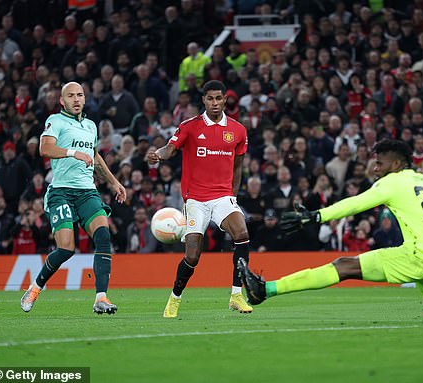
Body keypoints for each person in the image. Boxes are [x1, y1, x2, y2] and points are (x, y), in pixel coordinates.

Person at [238, 139, 423, 325]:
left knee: (343, 266)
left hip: (418, 256)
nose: (375, 168)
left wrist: (317, 215)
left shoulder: (393, 182)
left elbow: (357, 202)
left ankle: (265, 290)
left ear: (397, 163)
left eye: (380, 162)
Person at [147, 80, 252, 317]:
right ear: (203, 100)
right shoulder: (189, 126)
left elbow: (238, 166)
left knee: (242, 234)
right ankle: (174, 298)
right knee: (193, 256)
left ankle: (236, 295)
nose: (214, 103)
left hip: (223, 196)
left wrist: (232, 196)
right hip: (195, 199)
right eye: (210, 99)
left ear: (225, 99)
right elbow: (170, 148)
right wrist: (159, 156)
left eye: (218, 98)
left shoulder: (238, 130)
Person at [20, 82, 126, 315]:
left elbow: (96, 157)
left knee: (103, 235)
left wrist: (114, 182)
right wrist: (72, 152)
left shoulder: (90, 125)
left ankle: (101, 297)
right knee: (66, 249)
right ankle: (36, 287)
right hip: (61, 192)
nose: (76, 99)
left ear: (85, 99)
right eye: (71, 96)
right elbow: (45, 148)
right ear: (62, 101)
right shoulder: (55, 121)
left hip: (87, 192)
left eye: (80, 95)